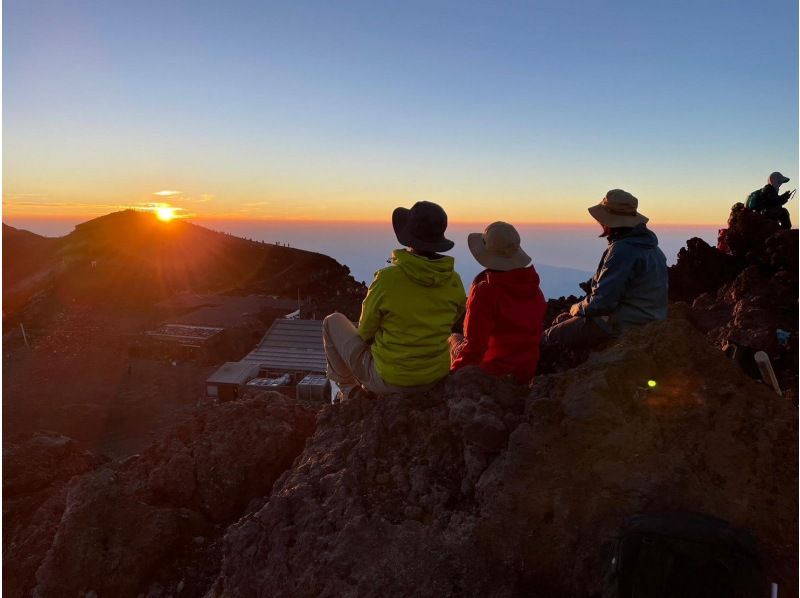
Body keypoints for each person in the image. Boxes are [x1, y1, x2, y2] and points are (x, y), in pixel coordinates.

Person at [323, 201, 466, 400]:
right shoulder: (454, 280)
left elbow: (365, 331)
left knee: (332, 321)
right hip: (434, 378)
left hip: (389, 380)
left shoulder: (387, 279)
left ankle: (349, 391)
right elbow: (453, 319)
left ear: (409, 238)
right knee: (454, 339)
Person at [542, 189, 668, 349]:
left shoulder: (623, 250)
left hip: (623, 324)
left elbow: (603, 302)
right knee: (562, 321)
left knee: (547, 338)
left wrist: (576, 308)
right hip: (649, 318)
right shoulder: (650, 247)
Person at [450, 221, 546, 384]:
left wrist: (452, 377)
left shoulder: (486, 292)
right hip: (526, 371)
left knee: (452, 338)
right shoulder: (533, 289)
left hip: (492, 374)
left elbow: (475, 348)